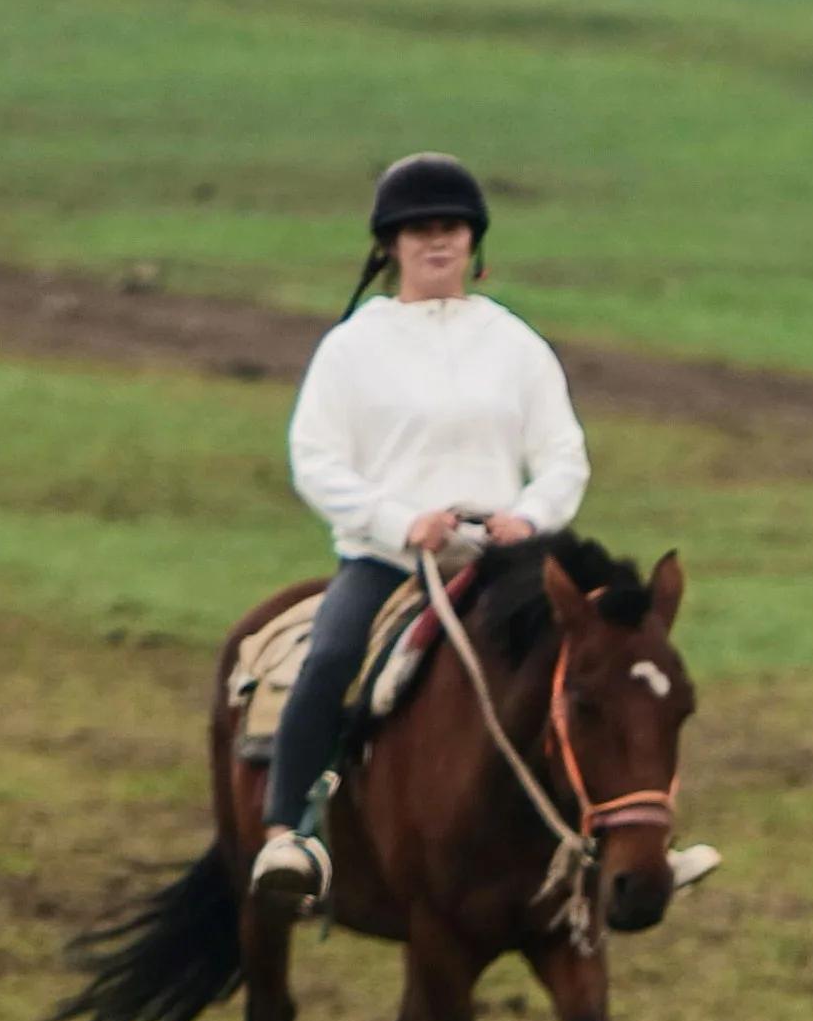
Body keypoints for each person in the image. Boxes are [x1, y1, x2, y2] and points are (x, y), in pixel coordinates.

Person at [252, 154, 592, 919]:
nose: (437, 243)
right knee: (334, 654)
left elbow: (564, 456)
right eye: (419, 231)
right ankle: (288, 832)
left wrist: (528, 518)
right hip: (391, 562)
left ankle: (622, 837)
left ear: (474, 243)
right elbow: (315, 459)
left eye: (452, 229)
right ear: (390, 247)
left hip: (504, 562)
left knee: (606, 659)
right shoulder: (350, 349)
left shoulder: (516, 344)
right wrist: (400, 521)